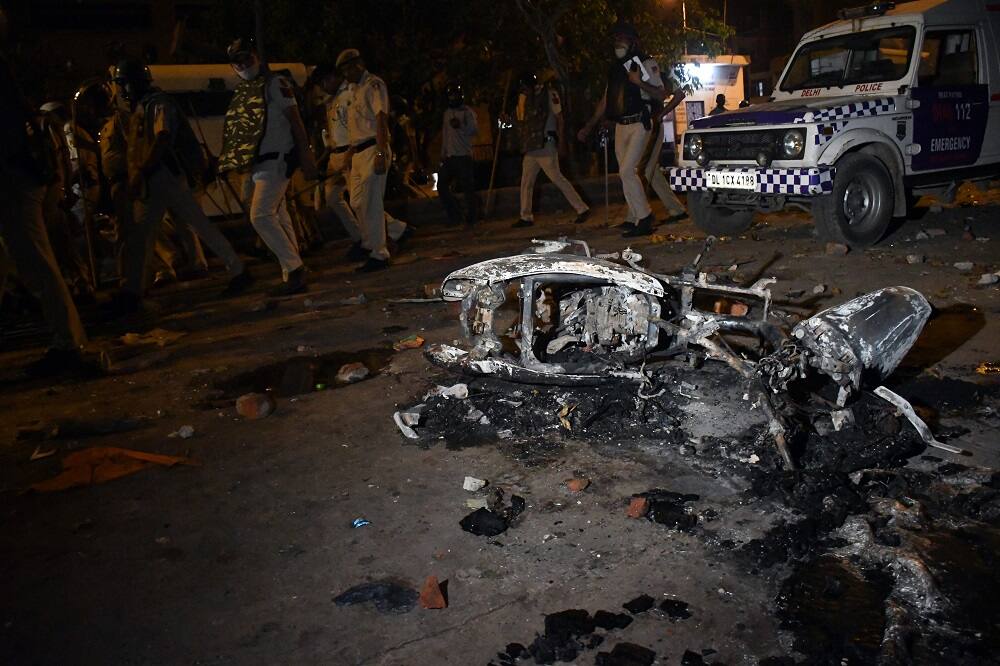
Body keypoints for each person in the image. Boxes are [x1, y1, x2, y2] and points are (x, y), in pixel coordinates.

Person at [107, 59, 250, 314]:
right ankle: (132, 291)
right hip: (156, 176)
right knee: (148, 233)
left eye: (124, 84)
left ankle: (237, 269)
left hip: (165, 175)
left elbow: (162, 138)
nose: (122, 90)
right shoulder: (144, 106)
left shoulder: (158, 103)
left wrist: (142, 171)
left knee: (189, 225)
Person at [0, 13, 93, 376]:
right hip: (18, 178)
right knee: (27, 260)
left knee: (36, 262)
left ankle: (68, 345)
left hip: (13, 180)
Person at [219, 37, 317, 294]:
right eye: (237, 62)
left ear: (257, 56)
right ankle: (292, 273)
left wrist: (306, 157)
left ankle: (295, 269)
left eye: (246, 58)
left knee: (260, 215)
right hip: (258, 164)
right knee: (278, 215)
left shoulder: (276, 83)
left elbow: (295, 121)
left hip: (277, 159)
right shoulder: (246, 91)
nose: (242, 65)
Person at [578, 22, 670, 237]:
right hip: (621, 126)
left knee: (627, 170)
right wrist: (589, 125)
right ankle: (636, 218)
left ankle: (645, 217)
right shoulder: (615, 69)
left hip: (640, 123)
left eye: (623, 39)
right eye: (616, 39)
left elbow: (660, 94)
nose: (618, 43)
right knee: (625, 174)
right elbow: (605, 100)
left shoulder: (645, 63)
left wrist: (638, 82)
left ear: (633, 42)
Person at [337, 48, 411, 272]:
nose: (345, 75)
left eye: (346, 69)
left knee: (371, 204)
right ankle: (396, 232)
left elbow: (381, 118)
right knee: (357, 202)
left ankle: (379, 253)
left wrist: (380, 152)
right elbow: (356, 126)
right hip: (359, 152)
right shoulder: (355, 90)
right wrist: (350, 151)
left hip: (372, 149)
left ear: (357, 65)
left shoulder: (373, 85)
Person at [512, 71, 590, 228]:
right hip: (531, 147)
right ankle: (525, 216)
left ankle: (582, 208)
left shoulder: (548, 94)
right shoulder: (523, 100)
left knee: (557, 178)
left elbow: (560, 118)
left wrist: (561, 142)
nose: (524, 91)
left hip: (546, 144)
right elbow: (521, 123)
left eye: (525, 88)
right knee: (526, 182)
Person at [315, 62, 365, 259]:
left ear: (332, 78)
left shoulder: (348, 96)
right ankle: (360, 237)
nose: (323, 88)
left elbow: (354, 128)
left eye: (324, 83)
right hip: (336, 154)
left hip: (349, 153)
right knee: (333, 197)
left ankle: (392, 232)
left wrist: (349, 156)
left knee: (359, 201)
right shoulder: (333, 100)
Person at [437, 83, 478, 227]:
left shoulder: (467, 112)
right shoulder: (447, 113)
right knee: (441, 185)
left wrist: (460, 125)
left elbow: (473, 131)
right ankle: (455, 215)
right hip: (450, 157)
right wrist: (443, 152)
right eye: (451, 96)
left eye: (456, 95)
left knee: (468, 189)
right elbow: (446, 134)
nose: (453, 98)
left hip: (463, 155)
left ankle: (472, 217)